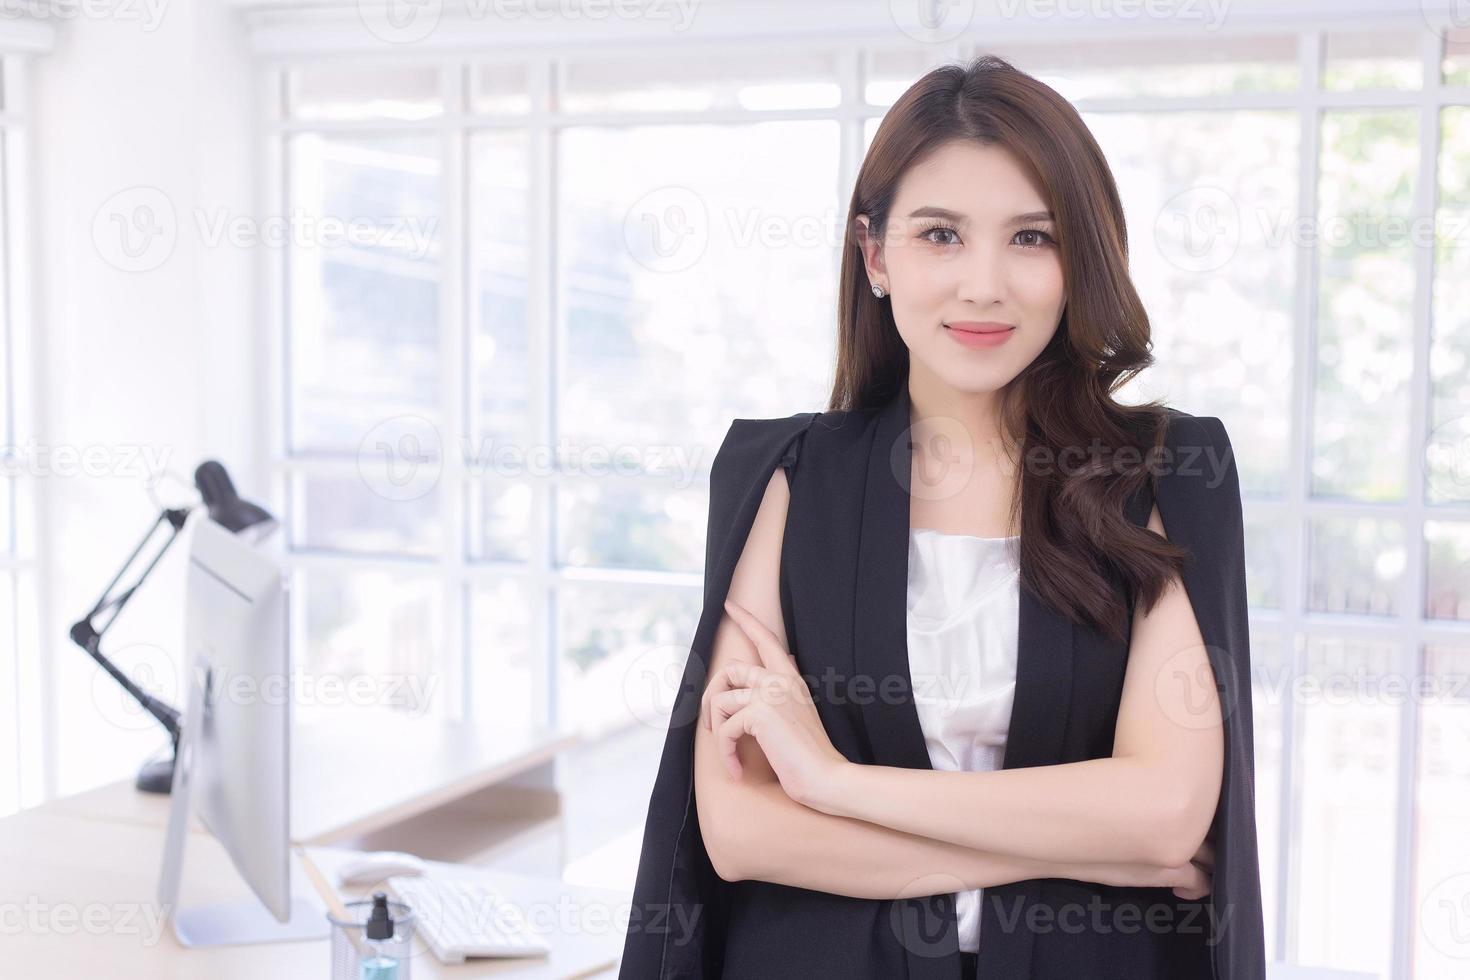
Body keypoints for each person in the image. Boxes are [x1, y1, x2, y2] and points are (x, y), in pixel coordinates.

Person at [619, 54, 1266, 980]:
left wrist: (834, 785)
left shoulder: (1161, 474)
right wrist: (1098, 848)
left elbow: (1166, 813)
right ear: (876, 254)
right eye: (941, 235)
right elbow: (742, 834)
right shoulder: (787, 478)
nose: (984, 285)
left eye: (1033, 238)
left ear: (1080, 258)